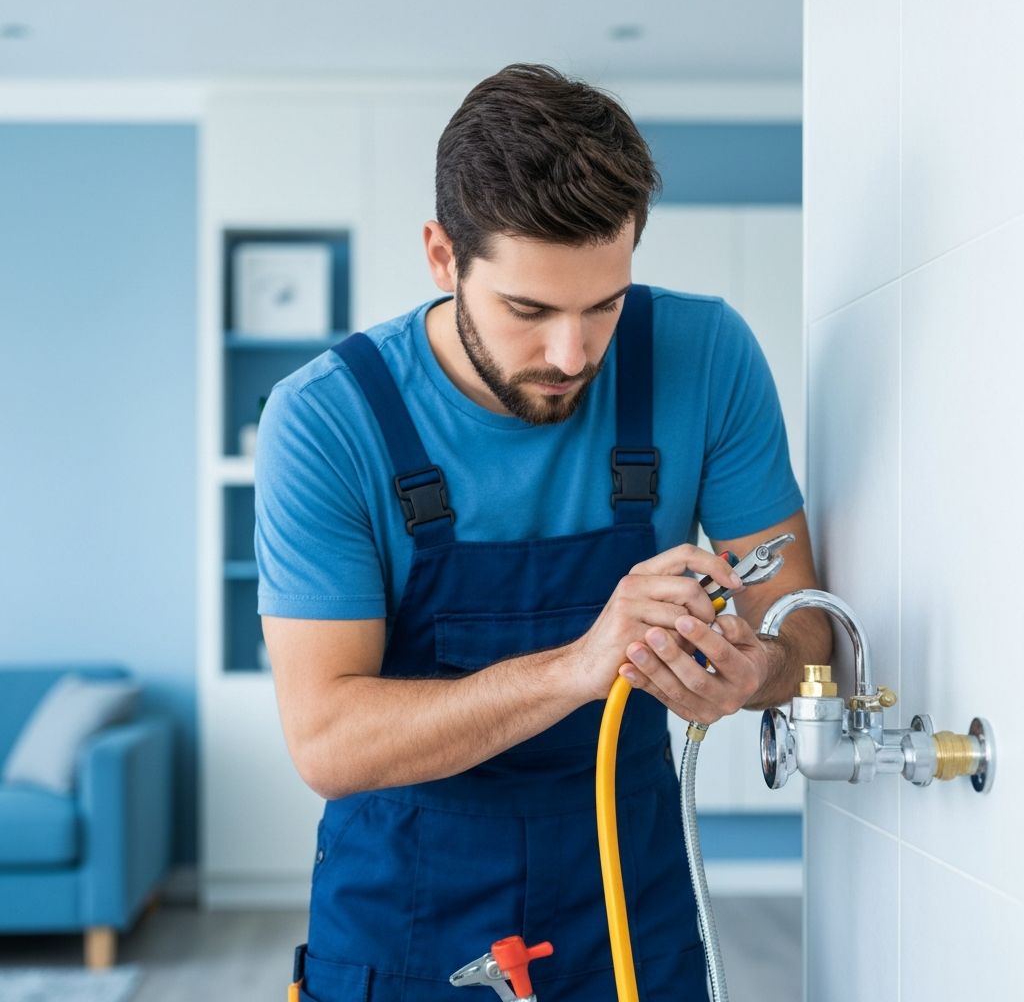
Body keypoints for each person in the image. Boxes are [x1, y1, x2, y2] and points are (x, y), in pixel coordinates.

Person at [256, 63, 831, 1002]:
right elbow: (330, 740)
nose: (572, 355)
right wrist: (582, 662)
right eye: (529, 311)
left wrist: (755, 673)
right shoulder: (325, 421)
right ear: (444, 258)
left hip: (630, 900)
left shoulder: (706, 356)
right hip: (404, 915)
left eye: (603, 305)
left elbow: (807, 632)